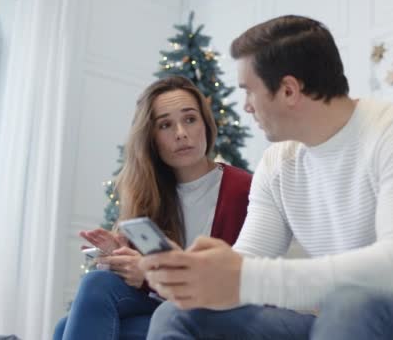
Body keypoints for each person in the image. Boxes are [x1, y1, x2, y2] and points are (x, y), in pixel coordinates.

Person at [141, 15, 393, 340]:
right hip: (340, 324)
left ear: (289, 91)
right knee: (176, 315)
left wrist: (244, 277)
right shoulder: (278, 164)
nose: (246, 105)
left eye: (249, 90)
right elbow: (244, 264)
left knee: (352, 305)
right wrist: (196, 277)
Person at [53, 75, 252, 340]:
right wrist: (122, 257)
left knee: (68, 328)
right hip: (166, 306)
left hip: (217, 316)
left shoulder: (243, 189)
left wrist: (148, 272)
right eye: (166, 125)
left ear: (206, 124)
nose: (181, 133)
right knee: (92, 290)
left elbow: (236, 283)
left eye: (190, 119)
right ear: (151, 138)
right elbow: (149, 283)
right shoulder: (150, 193)